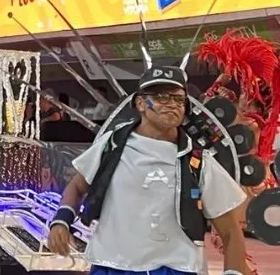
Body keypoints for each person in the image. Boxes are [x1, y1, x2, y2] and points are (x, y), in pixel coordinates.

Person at [47, 66, 249, 275]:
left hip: (176, 268)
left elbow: (231, 232)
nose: (172, 104)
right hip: (111, 264)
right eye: (161, 97)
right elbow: (77, 186)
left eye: (178, 99)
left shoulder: (198, 161)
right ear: (140, 103)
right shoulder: (112, 146)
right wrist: (61, 220)